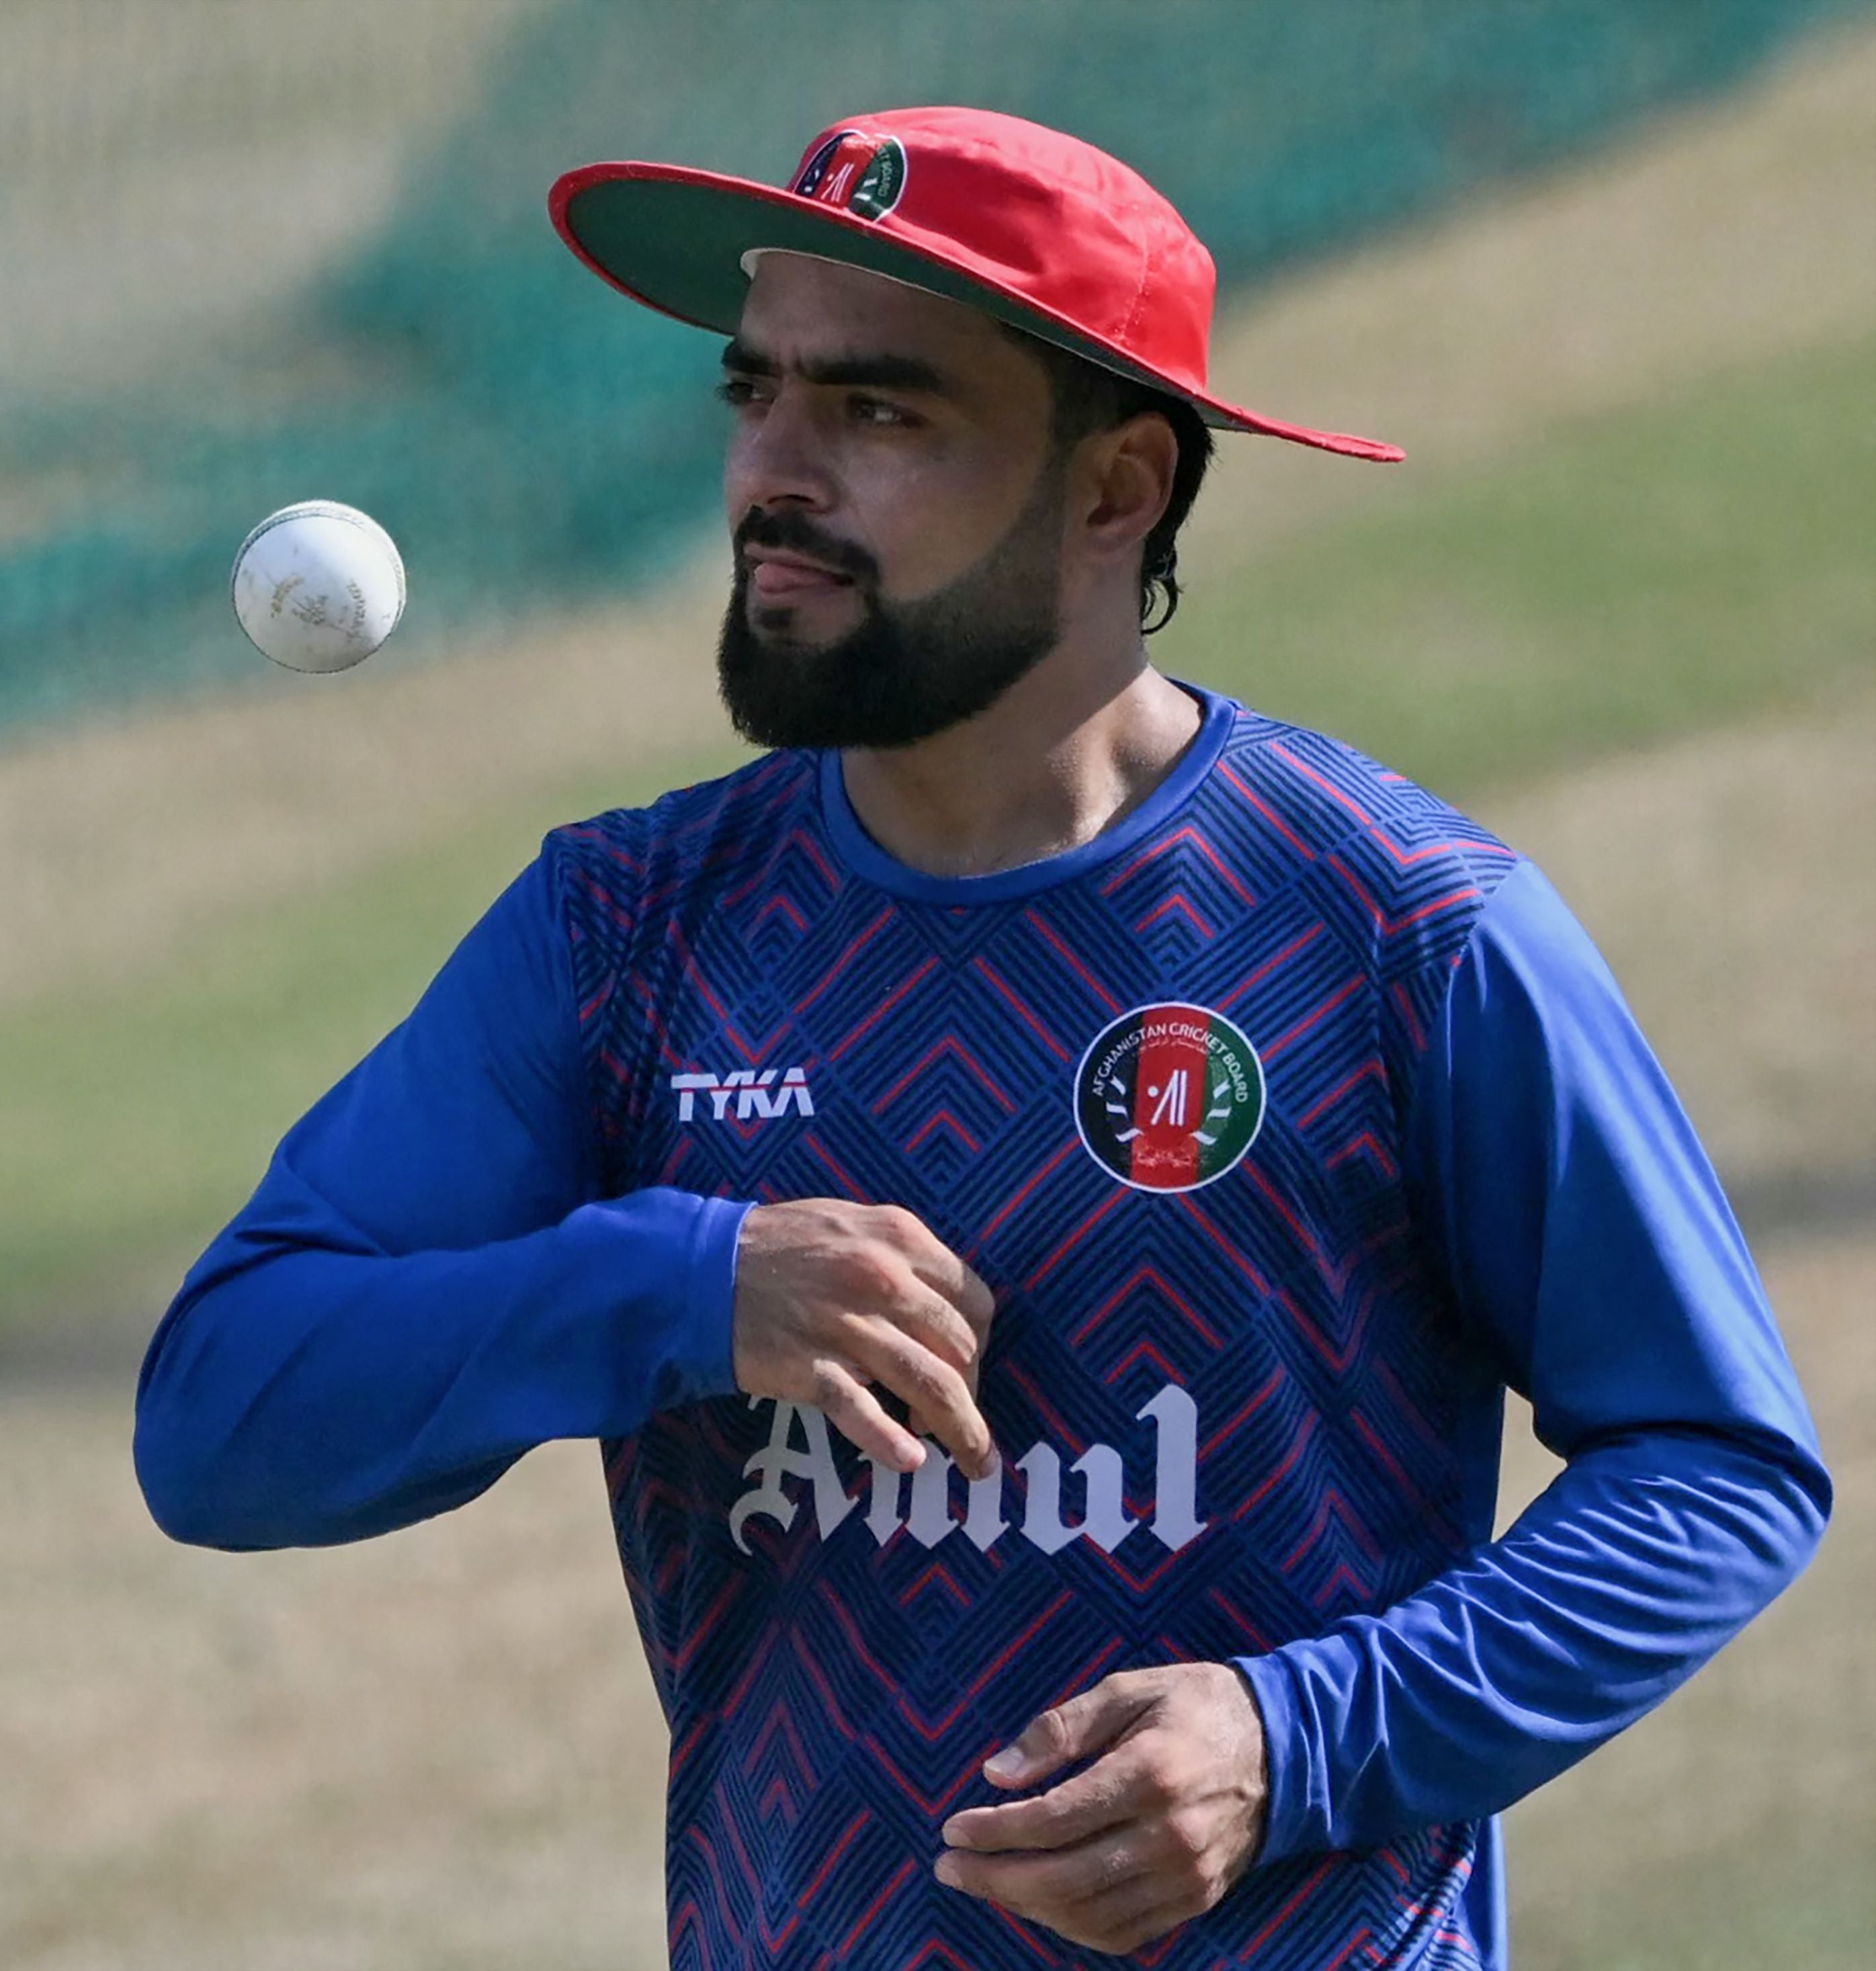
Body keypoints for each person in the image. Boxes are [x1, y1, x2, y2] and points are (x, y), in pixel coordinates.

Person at [132, 107, 1829, 1968]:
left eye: (879, 415)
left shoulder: (1397, 931)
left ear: (1114, 489)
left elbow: (1713, 1470)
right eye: (757, 396)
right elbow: (225, 1419)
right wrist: (676, 1291)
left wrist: (1300, 1738)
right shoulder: (623, 936)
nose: (776, 474)